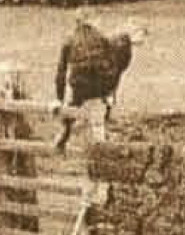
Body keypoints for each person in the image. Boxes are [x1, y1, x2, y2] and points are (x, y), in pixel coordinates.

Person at [51, 15, 147, 151]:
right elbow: (113, 70)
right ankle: (99, 147)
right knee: (98, 118)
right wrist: (109, 94)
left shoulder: (72, 39)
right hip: (97, 85)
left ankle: (65, 132)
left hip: (79, 84)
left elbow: (61, 71)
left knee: (75, 107)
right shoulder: (112, 43)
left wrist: (58, 98)